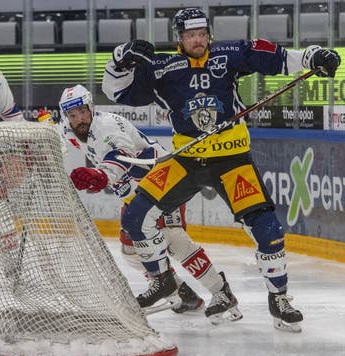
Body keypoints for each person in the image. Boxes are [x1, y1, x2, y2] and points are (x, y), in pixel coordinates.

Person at [101, 8, 341, 332]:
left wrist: (312, 57)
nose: (197, 40)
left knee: (268, 230)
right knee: (135, 217)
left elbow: (274, 57)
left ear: (208, 34)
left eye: (201, 34)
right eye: (190, 35)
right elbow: (115, 92)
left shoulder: (228, 54)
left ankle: (279, 299)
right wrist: (119, 60)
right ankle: (164, 281)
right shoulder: (162, 69)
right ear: (179, 38)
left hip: (232, 159)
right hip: (186, 160)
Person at [52, 84, 242, 321]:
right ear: (66, 117)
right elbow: (50, 133)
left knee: (173, 240)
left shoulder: (107, 126)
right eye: (73, 115)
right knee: (131, 250)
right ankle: (181, 292)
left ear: (91, 108)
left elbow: (120, 153)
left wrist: (102, 175)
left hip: (161, 184)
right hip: (135, 195)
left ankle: (220, 291)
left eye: (83, 111)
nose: (80, 119)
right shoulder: (67, 130)